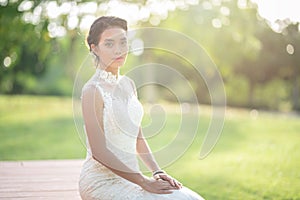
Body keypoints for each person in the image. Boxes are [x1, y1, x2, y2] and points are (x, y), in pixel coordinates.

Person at [78, 16, 204, 200]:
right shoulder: (92, 91)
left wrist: (156, 171)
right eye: (109, 44)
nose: (118, 50)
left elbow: (137, 136)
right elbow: (99, 152)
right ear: (94, 48)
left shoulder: (128, 84)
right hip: (101, 184)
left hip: (134, 180)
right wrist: (143, 182)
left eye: (123, 42)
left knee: (192, 198)